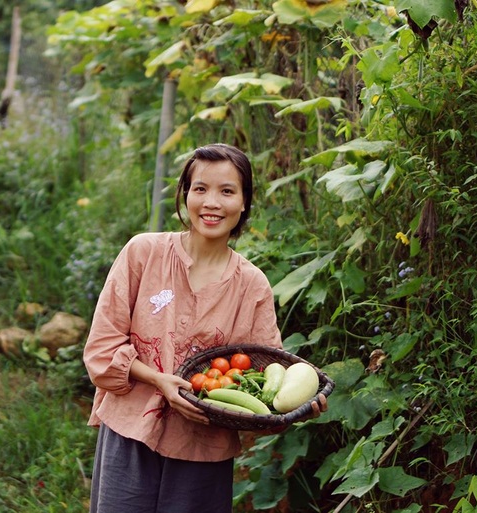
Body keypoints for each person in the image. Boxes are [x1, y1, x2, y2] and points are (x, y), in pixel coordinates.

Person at [83, 143, 326, 513]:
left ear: (244, 202)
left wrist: (297, 405)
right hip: (129, 433)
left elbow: (264, 384)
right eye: (200, 189)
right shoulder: (143, 254)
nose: (211, 202)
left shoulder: (252, 285)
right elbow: (101, 350)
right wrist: (158, 380)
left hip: (202, 449)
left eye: (227, 191)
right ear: (185, 194)